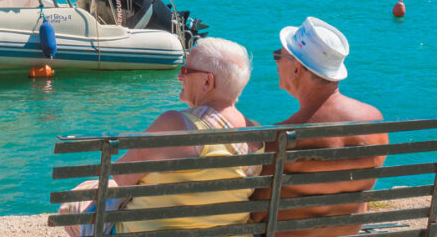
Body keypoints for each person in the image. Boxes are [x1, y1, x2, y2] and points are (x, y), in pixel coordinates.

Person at [109, 38, 262, 235]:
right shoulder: (256, 134)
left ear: (207, 82)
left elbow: (121, 176)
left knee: (79, 204)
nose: (179, 77)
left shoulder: (174, 124)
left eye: (185, 70)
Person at [252, 17, 386, 237]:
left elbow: (256, 212)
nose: (275, 62)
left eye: (279, 55)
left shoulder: (281, 136)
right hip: (346, 232)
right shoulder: (374, 120)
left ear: (297, 68)